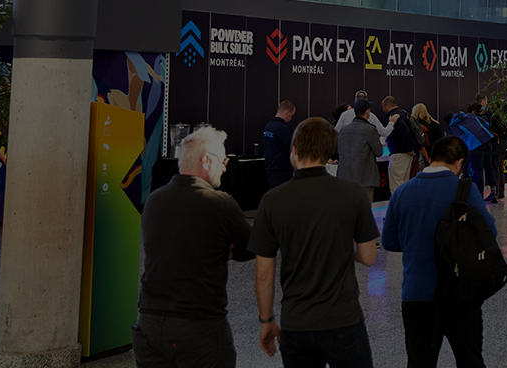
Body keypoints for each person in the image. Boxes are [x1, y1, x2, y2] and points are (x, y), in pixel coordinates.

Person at [250, 117, 380, 367]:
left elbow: (264, 273)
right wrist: (341, 242)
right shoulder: (353, 192)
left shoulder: (272, 200)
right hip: (344, 321)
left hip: (296, 323)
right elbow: (368, 256)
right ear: (330, 152)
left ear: (294, 150)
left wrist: (267, 321)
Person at [133, 128, 253, 368]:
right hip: (198, 329)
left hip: (149, 324)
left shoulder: (154, 200)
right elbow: (251, 247)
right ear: (206, 160)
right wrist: (221, 248)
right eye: (223, 160)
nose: (225, 166)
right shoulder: (220, 204)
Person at [381, 134, 493, 368]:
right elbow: (488, 232)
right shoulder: (466, 190)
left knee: (420, 362)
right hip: (460, 294)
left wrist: (416, 243)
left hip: (416, 294)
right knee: (470, 360)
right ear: (460, 162)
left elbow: (390, 241)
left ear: (432, 158)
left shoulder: (402, 192)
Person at [337, 99, 383, 202]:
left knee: (348, 209)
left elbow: (340, 150)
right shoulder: (370, 129)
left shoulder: (343, 130)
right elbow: (379, 152)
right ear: (367, 111)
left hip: (345, 177)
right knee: (364, 210)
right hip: (365, 178)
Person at [383, 96, 422, 192]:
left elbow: (405, 130)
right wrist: (409, 149)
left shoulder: (395, 116)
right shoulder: (403, 113)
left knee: (396, 182)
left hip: (399, 153)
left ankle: (398, 206)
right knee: (404, 181)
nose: (383, 110)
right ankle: (405, 205)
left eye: (383, 107)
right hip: (407, 154)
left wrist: (409, 148)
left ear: (387, 106)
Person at [263, 101, 296, 188]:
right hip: (282, 171)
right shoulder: (283, 129)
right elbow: (294, 147)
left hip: (271, 169)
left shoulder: (267, 128)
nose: (291, 118)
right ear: (288, 112)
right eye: (291, 115)